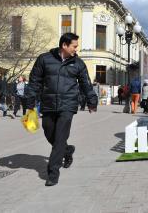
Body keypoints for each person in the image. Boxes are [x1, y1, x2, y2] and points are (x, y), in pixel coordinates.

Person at [25, 33, 98, 186]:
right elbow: (34, 82)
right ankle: (67, 150)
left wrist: (92, 101)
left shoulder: (78, 63)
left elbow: (86, 84)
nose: (76, 49)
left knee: (59, 138)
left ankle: (53, 172)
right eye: (74, 46)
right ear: (64, 45)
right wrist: (29, 102)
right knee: (48, 131)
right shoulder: (44, 59)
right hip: (48, 104)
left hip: (68, 105)